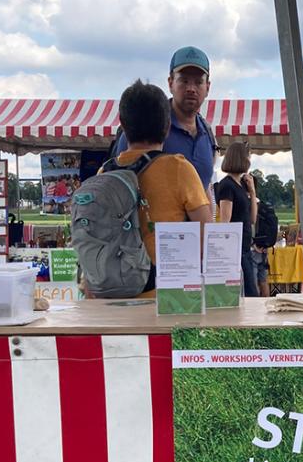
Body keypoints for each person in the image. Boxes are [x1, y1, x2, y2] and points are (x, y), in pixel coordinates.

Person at [108, 80, 212, 295]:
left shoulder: (106, 172)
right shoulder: (179, 168)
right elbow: (208, 237)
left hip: (111, 295)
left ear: (123, 125)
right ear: (167, 127)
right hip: (165, 298)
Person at [112, 46, 217, 191]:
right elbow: (120, 186)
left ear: (208, 87)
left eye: (198, 82)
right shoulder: (147, 125)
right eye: (184, 81)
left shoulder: (207, 134)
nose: (191, 88)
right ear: (170, 83)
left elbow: (205, 189)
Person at [215, 141, 260, 297]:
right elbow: (225, 221)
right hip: (236, 248)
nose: (249, 160)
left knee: (250, 290)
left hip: (246, 245)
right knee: (250, 292)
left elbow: (252, 218)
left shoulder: (241, 185)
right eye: (248, 157)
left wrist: (252, 192)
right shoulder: (227, 185)